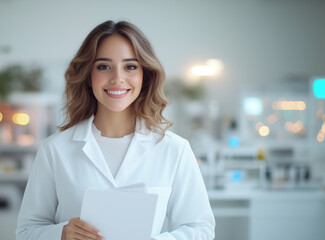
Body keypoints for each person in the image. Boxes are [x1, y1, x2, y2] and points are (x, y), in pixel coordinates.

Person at [16, 20, 215, 240]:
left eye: (130, 66)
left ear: (145, 76)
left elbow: (201, 229)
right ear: (88, 76)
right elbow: (26, 231)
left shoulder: (174, 149)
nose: (117, 78)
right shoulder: (54, 149)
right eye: (103, 66)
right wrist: (61, 234)